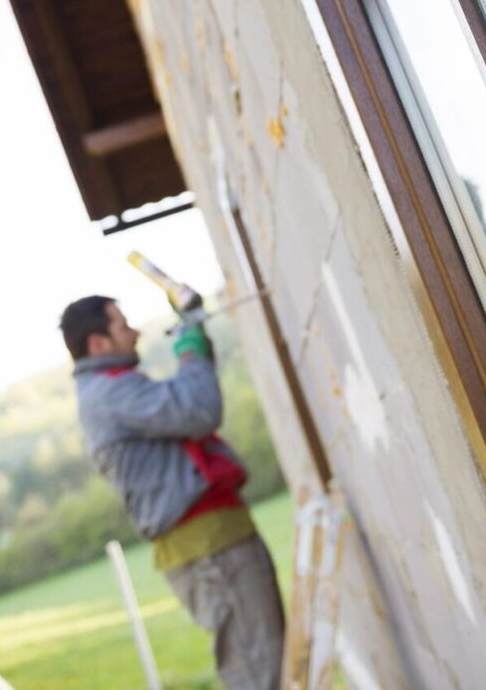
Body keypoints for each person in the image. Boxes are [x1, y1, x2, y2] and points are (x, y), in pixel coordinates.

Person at [60, 295, 284, 690]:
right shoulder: (109, 394)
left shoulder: (114, 388)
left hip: (214, 543)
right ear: (99, 344)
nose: (135, 332)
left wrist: (196, 351)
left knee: (264, 662)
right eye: (123, 326)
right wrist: (191, 352)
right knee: (259, 669)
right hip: (210, 549)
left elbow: (187, 414)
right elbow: (197, 409)